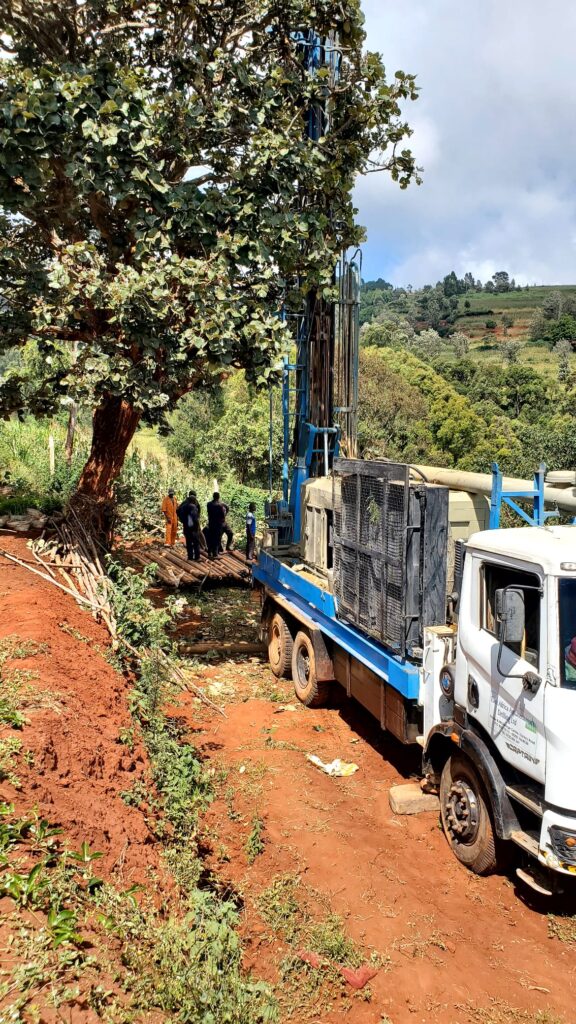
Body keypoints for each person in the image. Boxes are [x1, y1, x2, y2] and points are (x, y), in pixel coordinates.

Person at [206, 491, 234, 558]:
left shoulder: (209, 504)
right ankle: (215, 554)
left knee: (211, 538)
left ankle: (210, 553)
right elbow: (223, 514)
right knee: (217, 538)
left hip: (211, 523)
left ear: (213, 496)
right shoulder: (220, 505)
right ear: (218, 497)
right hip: (219, 523)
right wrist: (224, 513)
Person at [177, 490, 201, 561]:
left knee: (189, 541)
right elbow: (195, 517)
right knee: (196, 542)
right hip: (193, 527)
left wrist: (182, 520)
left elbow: (177, 510)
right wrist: (197, 525)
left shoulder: (184, 504)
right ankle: (197, 557)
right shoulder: (193, 506)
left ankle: (190, 557)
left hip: (186, 525)